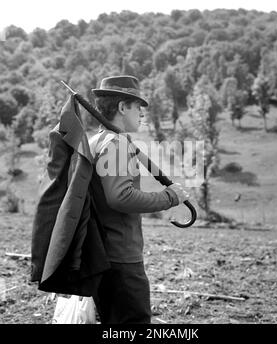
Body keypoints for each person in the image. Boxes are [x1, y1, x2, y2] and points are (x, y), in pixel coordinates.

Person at [89, 75, 190, 324]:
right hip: (120, 258)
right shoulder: (115, 145)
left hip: (101, 253)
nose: (142, 115)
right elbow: (120, 197)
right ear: (122, 107)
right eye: (137, 107)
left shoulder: (95, 141)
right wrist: (170, 197)